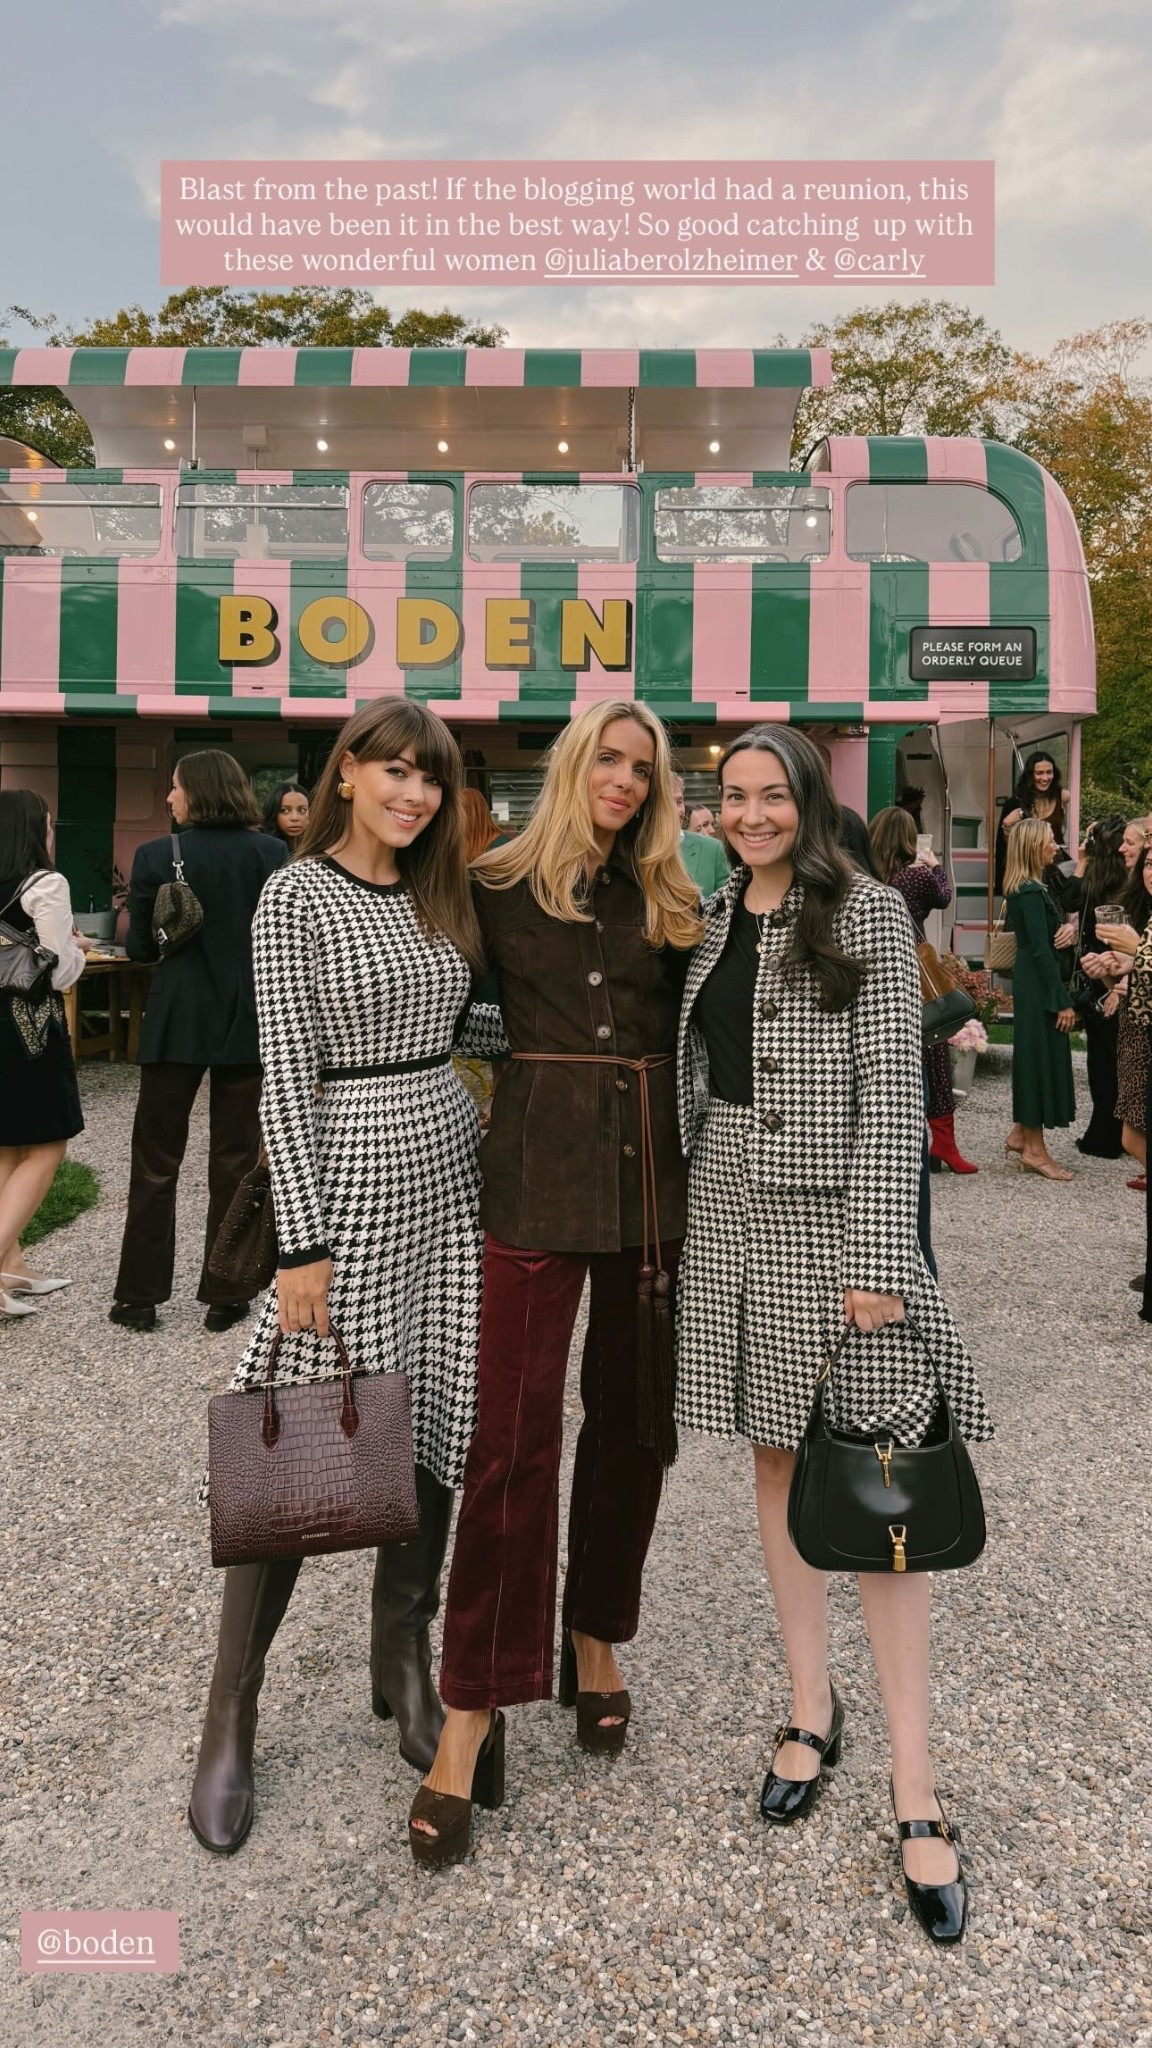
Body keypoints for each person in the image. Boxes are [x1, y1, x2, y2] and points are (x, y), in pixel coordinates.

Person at [673, 723, 992, 1946]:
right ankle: (811, 1704)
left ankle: (917, 1781)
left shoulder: (858, 910)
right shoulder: (711, 919)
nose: (751, 815)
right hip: (730, 1218)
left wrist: (875, 1254)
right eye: (734, 797)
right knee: (774, 1462)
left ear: (808, 800)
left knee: (881, 1480)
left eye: (771, 796)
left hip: (832, 1228)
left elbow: (885, 1090)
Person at [188, 701, 504, 1856]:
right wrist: (301, 1243)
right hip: (352, 1163)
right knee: (297, 1426)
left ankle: (401, 1655)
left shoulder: (440, 889)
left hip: (447, 1163)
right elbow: (280, 1074)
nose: (414, 795)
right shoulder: (296, 892)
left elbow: (471, 1018)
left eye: (432, 778)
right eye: (396, 772)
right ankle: (231, 1703)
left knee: (435, 1408)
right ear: (351, 773)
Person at [408, 699, 702, 1869]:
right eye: (611, 759)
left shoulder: (675, 901)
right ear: (576, 762)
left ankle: (595, 1635)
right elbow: (413, 997)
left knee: (634, 1424)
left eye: (645, 766)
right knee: (511, 1435)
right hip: (532, 1176)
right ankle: (471, 1702)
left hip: (649, 1183)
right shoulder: (484, 885)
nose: (626, 780)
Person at [109, 752, 288, 1334]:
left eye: (175, 786)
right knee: (236, 1162)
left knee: (156, 1163)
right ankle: (226, 1293)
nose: (168, 797)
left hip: (175, 1021)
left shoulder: (157, 855)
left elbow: (140, 950)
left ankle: (138, 1296)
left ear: (197, 792)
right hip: (248, 1020)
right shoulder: (273, 854)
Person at [0, 790, 88, 1318]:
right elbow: (59, 971)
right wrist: (74, 945)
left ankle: (14, 1266)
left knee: (7, 1147)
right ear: (34, 830)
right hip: (27, 1029)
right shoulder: (46, 883)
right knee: (48, 1146)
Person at [870, 806, 976, 1176]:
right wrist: (933, 864)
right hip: (915, 973)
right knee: (932, 1052)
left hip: (879, 972)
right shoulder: (914, 877)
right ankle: (943, 1142)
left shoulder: (870, 875)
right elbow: (945, 897)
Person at [1002, 820, 1077, 1180]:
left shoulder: (1030, 887)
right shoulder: (1029, 892)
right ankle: (1034, 1150)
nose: (1055, 845)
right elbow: (1040, 952)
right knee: (1037, 1059)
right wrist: (1060, 998)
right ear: (1034, 847)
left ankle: (1022, 1132)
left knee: (1033, 1055)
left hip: (1032, 982)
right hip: (1037, 985)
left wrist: (1064, 930)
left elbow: (1042, 941)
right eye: (1050, 840)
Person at [1083, 826, 1152, 1182]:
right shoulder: (1141, 902)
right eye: (1149, 863)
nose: (1149, 871)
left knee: (1133, 1136)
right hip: (1136, 1032)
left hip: (1144, 1032)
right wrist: (1112, 972)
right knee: (1131, 1136)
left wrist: (1134, 950)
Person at [1069, 816, 1127, 1160]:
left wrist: (1082, 859)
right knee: (1119, 1059)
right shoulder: (1127, 883)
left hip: (1101, 971)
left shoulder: (1095, 883)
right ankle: (1121, 1132)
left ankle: (1103, 1135)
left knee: (1102, 1061)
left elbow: (1070, 898)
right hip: (1119, 971)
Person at [994, 751, 1069, 893]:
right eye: (1039, 773)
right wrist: (1006, 825)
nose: (1045, 778)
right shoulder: (1016, 803)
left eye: (1049, 772)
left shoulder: (1063, 796)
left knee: (1057, 911)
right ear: (1030, 775)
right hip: (1028, 870)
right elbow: (1009, 846)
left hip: (1055, 867)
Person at [672, 773, 729, 896]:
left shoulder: (712, 849)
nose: (677, 811)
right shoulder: (633, 848)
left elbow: (727, 906)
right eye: (666, 802)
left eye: (679, 802)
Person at [261, 780, 310, 853]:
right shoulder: (262, 848)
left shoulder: (320, 848)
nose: (295, 818)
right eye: (284, 811)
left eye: (302, 810)